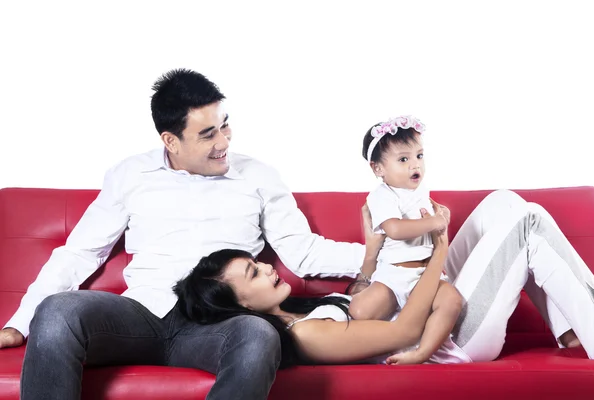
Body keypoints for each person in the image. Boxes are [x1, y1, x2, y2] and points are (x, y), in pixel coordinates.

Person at [0, 69, 366, 400]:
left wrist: (391, 255)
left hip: (215, 323)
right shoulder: (130, 175)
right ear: (171, 141)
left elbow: (304, 252)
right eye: (207, 134)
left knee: (258, 335)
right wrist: (20, 323)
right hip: (140, 314)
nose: (223, 141)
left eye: (225, 125)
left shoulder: (259, 177)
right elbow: (79, 252)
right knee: (57, 311)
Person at [175, 189, 594, 367]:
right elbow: (406, 332)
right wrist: (437, 247)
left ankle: (569, 332)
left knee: (502, 201)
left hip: (434, 307)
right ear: (243, 305)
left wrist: (372, 249)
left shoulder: (301, 312)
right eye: (254, 272)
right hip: (451, 341)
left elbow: (365, 296)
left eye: (258, 262)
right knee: (528, 219)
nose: (268, 266)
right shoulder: (306, 337)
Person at [347, 115, 463, 364]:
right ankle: (394, 331)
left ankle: (421, 352)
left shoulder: (419, 191)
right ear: (378, 168)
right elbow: (394, 229)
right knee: (359, 310)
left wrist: (441, 214)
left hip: (426, 275)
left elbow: (431, 215)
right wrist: (434, 223)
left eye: (419, 156)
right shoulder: (382, 195)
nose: (415, 166)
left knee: (452, 300)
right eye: (403, 159)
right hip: (394, 275)